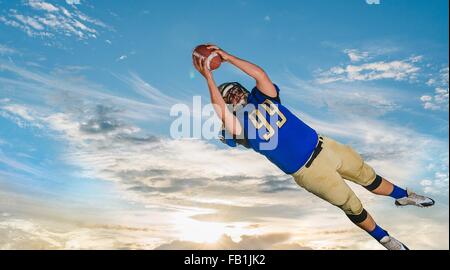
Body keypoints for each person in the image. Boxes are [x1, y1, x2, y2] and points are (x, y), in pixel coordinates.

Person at [192, 44, 435, 250]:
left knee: (369, 177)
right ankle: (384, 238)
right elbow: (223, 115)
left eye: (235, 89)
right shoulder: (238, 126)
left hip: (325, 146)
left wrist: (229, 57)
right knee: (351, 205)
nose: (233, 94)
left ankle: (404, 196)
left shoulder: (263, 97)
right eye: (228, 95)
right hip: (308, 172)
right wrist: (210, 78)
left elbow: (261, 75)